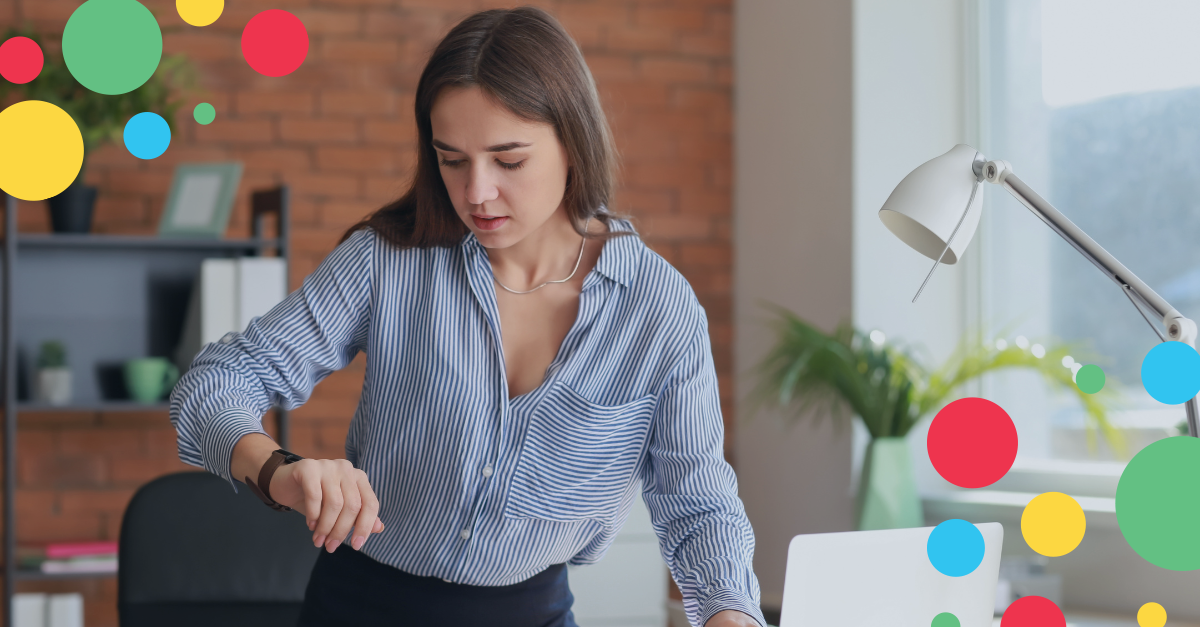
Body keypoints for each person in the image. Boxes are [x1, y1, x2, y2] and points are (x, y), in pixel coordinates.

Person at [169, 6, 763, 627]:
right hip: (361, 608)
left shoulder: (657, 311)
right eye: (452, 160)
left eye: (508, 161)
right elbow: (213, 385)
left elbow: (698, 506)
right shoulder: (389, 262)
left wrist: (729, 613)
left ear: (572, 143)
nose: (476, 192)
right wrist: (276, 471)